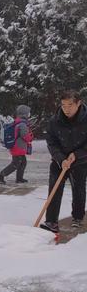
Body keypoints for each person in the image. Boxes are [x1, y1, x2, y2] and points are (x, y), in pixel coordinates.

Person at [41, 90, 87, 232]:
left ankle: (78, 218)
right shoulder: (55, 121)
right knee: (54, 189)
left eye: (70, 105)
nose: (66, 109)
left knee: (78, 189)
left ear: (78, 103)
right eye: (63, 105)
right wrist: (61, 159)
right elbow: (51, 142)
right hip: (59, 161)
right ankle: (51, 222)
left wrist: (77, 155)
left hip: (80, 161)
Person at [0, 105, 34, 185]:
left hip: (17, 147)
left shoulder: (18, 121)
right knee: (15, 164)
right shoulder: (22, 124)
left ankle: (19, 178)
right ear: (24, 114)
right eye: (28, 113)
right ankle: (1, 175)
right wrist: (31, 137)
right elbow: (25, 136)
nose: (29, 114)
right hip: (18, 147)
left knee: (22, 162)